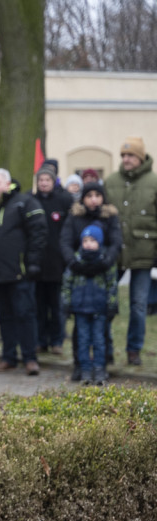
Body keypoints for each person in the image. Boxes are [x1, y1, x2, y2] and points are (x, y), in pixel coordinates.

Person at [0, 168, 47, 375]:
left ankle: (30, 358)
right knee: (4, 318)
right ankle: (8, 357)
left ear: (7, 185)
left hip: (20, 273)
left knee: (25, 315)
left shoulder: (24, 203)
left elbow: (39, 233)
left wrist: (33, 261)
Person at [60, 181, 122, 381]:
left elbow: (116, 242)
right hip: (79, 271)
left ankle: (102, 364)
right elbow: (65, 242)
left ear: (103, 197)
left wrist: (105, 261)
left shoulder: (110, 217)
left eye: (97, 195)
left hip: (101, 272)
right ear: (83, 198)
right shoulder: (74, 217)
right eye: (89, 196)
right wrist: (74, 262)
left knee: (101, 331)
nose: (93, 199)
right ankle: (81, 365)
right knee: (81, 332)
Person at [104, 136, 157, 366]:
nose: (126, 159)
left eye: (131, 155)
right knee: (106, 303)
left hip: (144, 254)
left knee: (138, 305)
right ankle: (105, 348)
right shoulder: (110, 181)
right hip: (114, 254)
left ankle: (134, 350)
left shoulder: (154, 183)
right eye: (123, 155)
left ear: (141, 157)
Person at [33, 162, 74, 355]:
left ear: (53, 181)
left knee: (57, 305)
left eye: (47, 180)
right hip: (37, 263)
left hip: (57, 262)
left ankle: (57, 340)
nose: (43, 183)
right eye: (40, 180)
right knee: (39, 306)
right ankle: (41, 340)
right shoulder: (31, 201)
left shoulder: (63, 200)